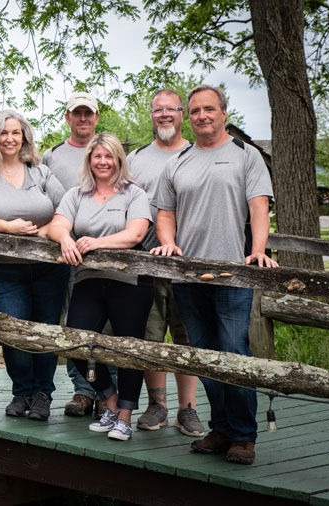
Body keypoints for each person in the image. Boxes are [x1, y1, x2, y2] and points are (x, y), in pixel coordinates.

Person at [152, 84, 278, 464]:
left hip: (233, 274)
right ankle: (220, 429)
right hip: (189, 275)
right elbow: (165, 213)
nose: (202, 116)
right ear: (188, 118)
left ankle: (243, 435)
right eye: (195, 111)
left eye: (209, 109)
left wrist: (257, 251)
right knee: (205, 355)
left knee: (234, 351)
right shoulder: (178, 161)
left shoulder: (245, 156)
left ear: (224, 112)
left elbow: (259, 208)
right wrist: (169, 242)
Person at [0, 110, 69, 421]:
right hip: (4, 268)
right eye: (3, 133)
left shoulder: (40, 172)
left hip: (49, 267)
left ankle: (42, 395)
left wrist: (50, 230)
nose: (9, 138)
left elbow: (64, 208)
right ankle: (21, 392)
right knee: (12, 331)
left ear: (24, 137)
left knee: (45, 330)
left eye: (15, 133)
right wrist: (9, 228)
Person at [48, 132, 153, 441]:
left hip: (130, 281)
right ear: (89, 160)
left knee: (128, 348)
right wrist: (65, 237)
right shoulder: (77, 193)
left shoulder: (133, 193)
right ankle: (109, 401)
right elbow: (57, 224)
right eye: (98, 156)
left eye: (109, 156)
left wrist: (96, 243)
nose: (103, 162)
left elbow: (135, 234)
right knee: (76, 341)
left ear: (119, 159)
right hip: (89, 280)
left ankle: (125, 417)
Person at [127, 89, 204, 437]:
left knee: (186, 336)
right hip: (147, 259)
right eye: (158, 110)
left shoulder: (197, 153)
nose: (164, 116)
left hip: (189, 261)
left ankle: (188, 409)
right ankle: (156, 404)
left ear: (182, 115)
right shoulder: (137, 158)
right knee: (150, 334)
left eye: (171, 110)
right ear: (151, 115)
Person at [42, 91, 115, 419]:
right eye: (77, 113)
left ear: (97, 117)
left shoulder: (110, 153)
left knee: (109, 325)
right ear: (68, 117)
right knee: (74, 324)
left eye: (89, 113)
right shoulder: (52, 156)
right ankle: (82, 390)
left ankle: (107, 391)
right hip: (65, 254)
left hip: (106, 256)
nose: (83, 118)